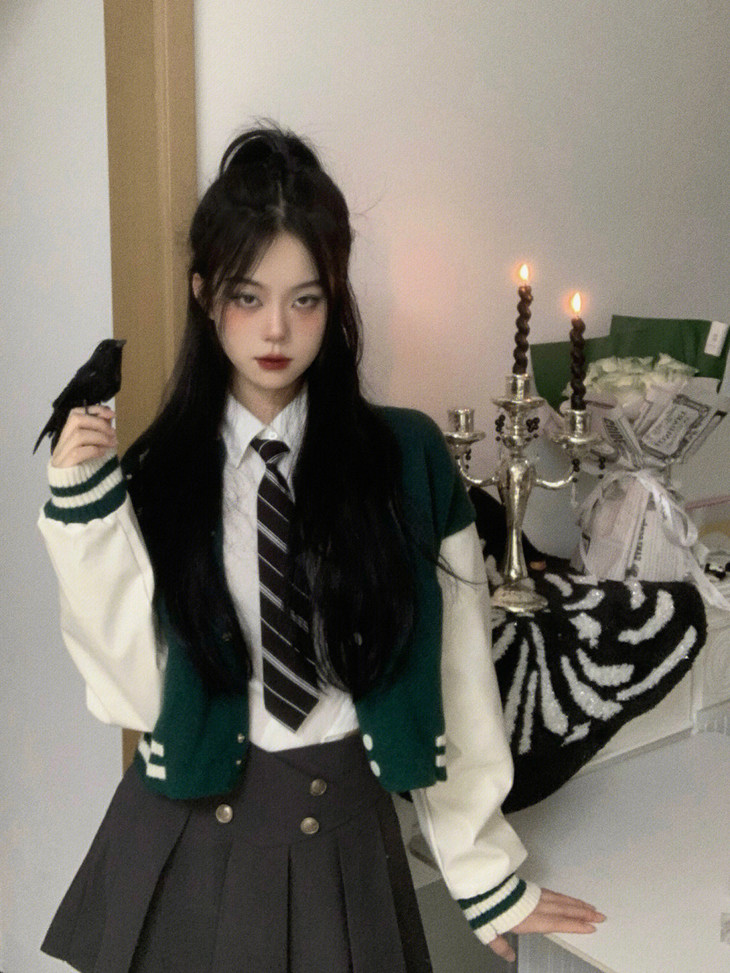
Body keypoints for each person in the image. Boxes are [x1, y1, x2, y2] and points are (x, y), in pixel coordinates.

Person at [38, 125, 604, 972]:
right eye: (247, 296)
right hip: (187, 843)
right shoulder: (159, 475)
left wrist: (484, 873)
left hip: (344, 842)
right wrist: (86, 514)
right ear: (205, 294)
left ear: (335, 299)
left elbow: (456, 676)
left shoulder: (408, 460)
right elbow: (131, 692)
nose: (277, 328)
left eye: (304, 300)